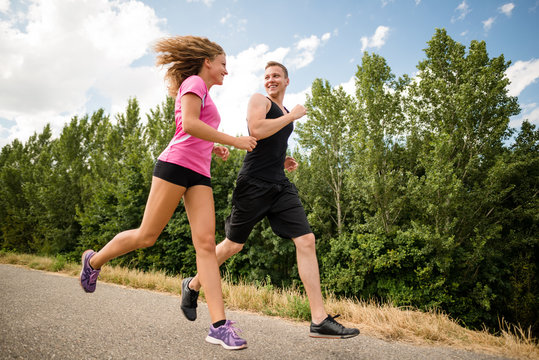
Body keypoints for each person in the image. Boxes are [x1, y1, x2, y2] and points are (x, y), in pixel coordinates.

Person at [79, 35, 257, 350]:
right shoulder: (194, 82)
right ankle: (93, 261)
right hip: (174, 166)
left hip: (200, 173)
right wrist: (232, 139)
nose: (226, 72)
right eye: (223, 64)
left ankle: (219, 326)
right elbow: (188, 124)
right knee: (147, 236)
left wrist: (213, 145)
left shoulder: (205, 93)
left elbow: (194, 127)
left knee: (205, 245)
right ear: (208, 62)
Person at [180, 61, 360, 339]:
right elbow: (257, 130)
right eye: (267, 76)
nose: (270, 80)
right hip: (253, 184)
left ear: (287, 81)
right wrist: (293, 117)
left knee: (306, 240)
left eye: (276, 76)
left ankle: (319, 319)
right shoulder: (259, 100)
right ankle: (192, 285)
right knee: (232, 246)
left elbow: (271, 141)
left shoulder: (284, 110)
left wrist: (282, 158)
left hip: (279, 185)